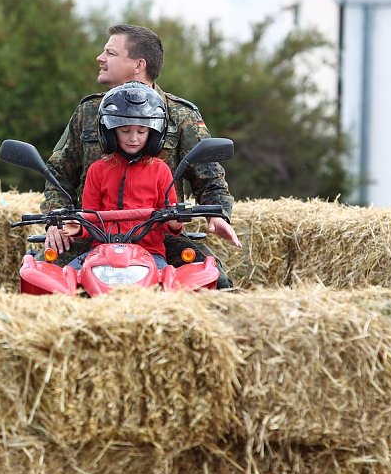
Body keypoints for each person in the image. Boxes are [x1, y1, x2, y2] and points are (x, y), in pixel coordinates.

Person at [41, 24, 242, 289]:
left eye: (110, 53)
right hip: (94, 235)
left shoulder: (180, 115)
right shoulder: (88, 111)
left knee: (218, 283)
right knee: (43, 276)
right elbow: (58, 175)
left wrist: (218, 215)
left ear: (139, 65)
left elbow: (210, 180)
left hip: (160, 237)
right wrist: (56, 222)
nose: (100, 58)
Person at [64, 81, 182, 270]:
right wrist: (78, 227)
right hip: (101, 252)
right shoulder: (98, 170)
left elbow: (171, 220)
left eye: (141, 131)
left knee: (171, 284)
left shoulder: (161, 170)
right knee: (63, 277)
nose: (133, 138)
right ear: (110, 132)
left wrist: (176, 222)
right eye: (125, 130)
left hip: (150, 253)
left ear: (153, 134)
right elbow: (90, 217)